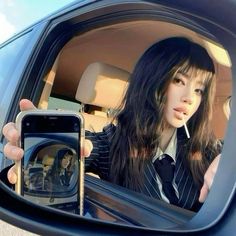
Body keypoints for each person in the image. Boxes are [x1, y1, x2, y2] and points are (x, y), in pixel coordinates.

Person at [2, 37, 221, 212]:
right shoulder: (112, 142)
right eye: (179, 81)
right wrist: (36, 148)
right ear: (152, 79)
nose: (189, 98)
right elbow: (79, 148)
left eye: (199, 90)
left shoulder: (207, 150)